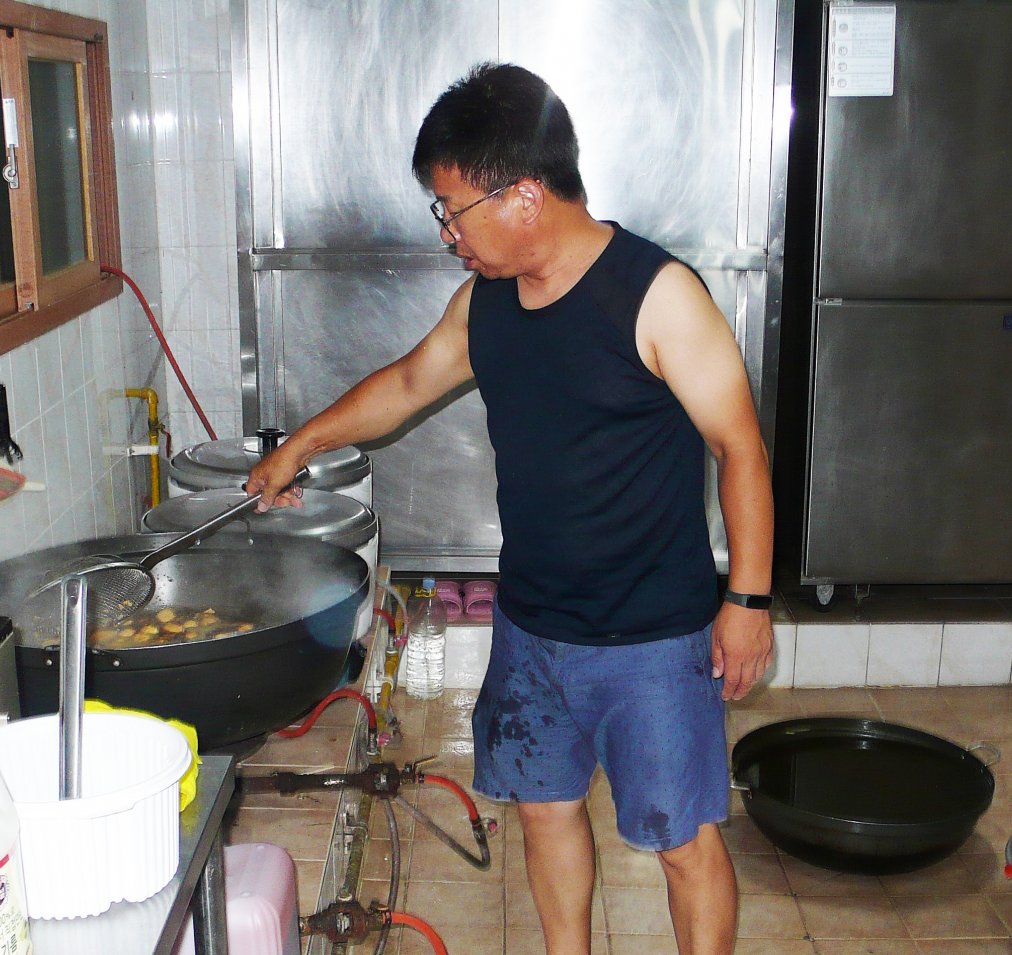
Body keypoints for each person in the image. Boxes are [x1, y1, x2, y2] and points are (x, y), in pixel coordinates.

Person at [246, 62, 774, 955]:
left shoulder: (656, 295)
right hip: (532, 625)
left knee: (682, 841)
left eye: (453, 209)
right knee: (545, 811)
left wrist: (748, 602)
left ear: (524, 195)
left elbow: (740, 447)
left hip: (653, 637)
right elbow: (408, 383)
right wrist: (303, 442)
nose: (448, 233)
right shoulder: (485, 304)